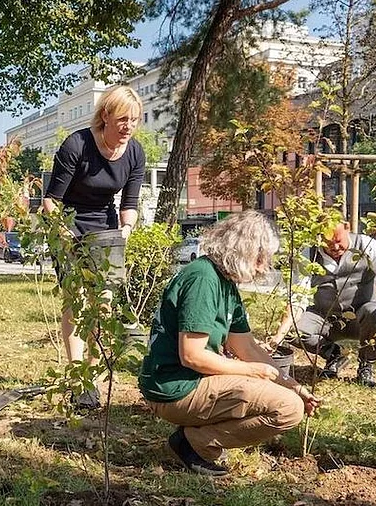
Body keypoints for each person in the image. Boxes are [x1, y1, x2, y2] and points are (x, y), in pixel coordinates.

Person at [138, 211, 320, 476]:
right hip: (176, 387)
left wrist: (293, 384)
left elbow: (247, 348)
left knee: (290, 398)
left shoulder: (223, 282)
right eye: (261, 259)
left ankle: (194, 438)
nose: (263, 268)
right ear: (244, 250)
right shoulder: (203, 280)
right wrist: (253, 372)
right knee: (287, 408)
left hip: (189, 381)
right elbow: (192, 356)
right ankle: (196, 444)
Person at [43, 85, 146, 410]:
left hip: (105, 225)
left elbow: (128, 202)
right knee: (76, 300)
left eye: (135, 119)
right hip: (68, 221)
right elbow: (51, 200)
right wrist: (62, 233)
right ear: (105, 115)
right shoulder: (77, 145)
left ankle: (94, 375)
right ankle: (77, 378)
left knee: (101, 304)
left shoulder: (134, 153)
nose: (129, 126)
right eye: (123, 119)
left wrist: (126, 229)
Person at [271, 221, 376, 388]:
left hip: (361, 319)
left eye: (338, 241)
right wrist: (279, 335)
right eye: (328, 242)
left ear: (347, 227)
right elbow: (297, 297)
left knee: (375, 312)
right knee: (292, 330)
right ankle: (334, 355)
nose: (335, 247)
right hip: (325, 318)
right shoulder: (309, 253)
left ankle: (367, 365)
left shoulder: (366, 245)